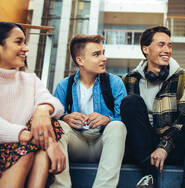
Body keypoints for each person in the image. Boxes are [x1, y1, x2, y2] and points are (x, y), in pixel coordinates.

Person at [121, 26, 185, 187]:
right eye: (161, 45)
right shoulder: (129, 79)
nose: (167, 50)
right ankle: (149, 177)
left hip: (173, 143)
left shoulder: (184, 78)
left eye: (169, 45)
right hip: (140, 146)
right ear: (146, 49)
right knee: (131, 102)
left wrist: (164, 146)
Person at [52, 34, 127, 188]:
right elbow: (53, 116)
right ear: (80, 60)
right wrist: (65, 118)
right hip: (77, 143)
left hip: (103, 143)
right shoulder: (64, 85)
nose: (103, 58)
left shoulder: (115, 83)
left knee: (118, 126)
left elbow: (124, 118)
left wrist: (107, 119)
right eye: (96, 54)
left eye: (103, 53)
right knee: (57, 126)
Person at [0, 22, 66, 187]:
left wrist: (43, 110)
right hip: (17, 149)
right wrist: (34, 138)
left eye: (25, 42)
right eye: (18, 42)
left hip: (23, 152)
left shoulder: (30, 80)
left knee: (48, 124)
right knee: (31, 145)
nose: (26, 48)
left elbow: (56, 105)